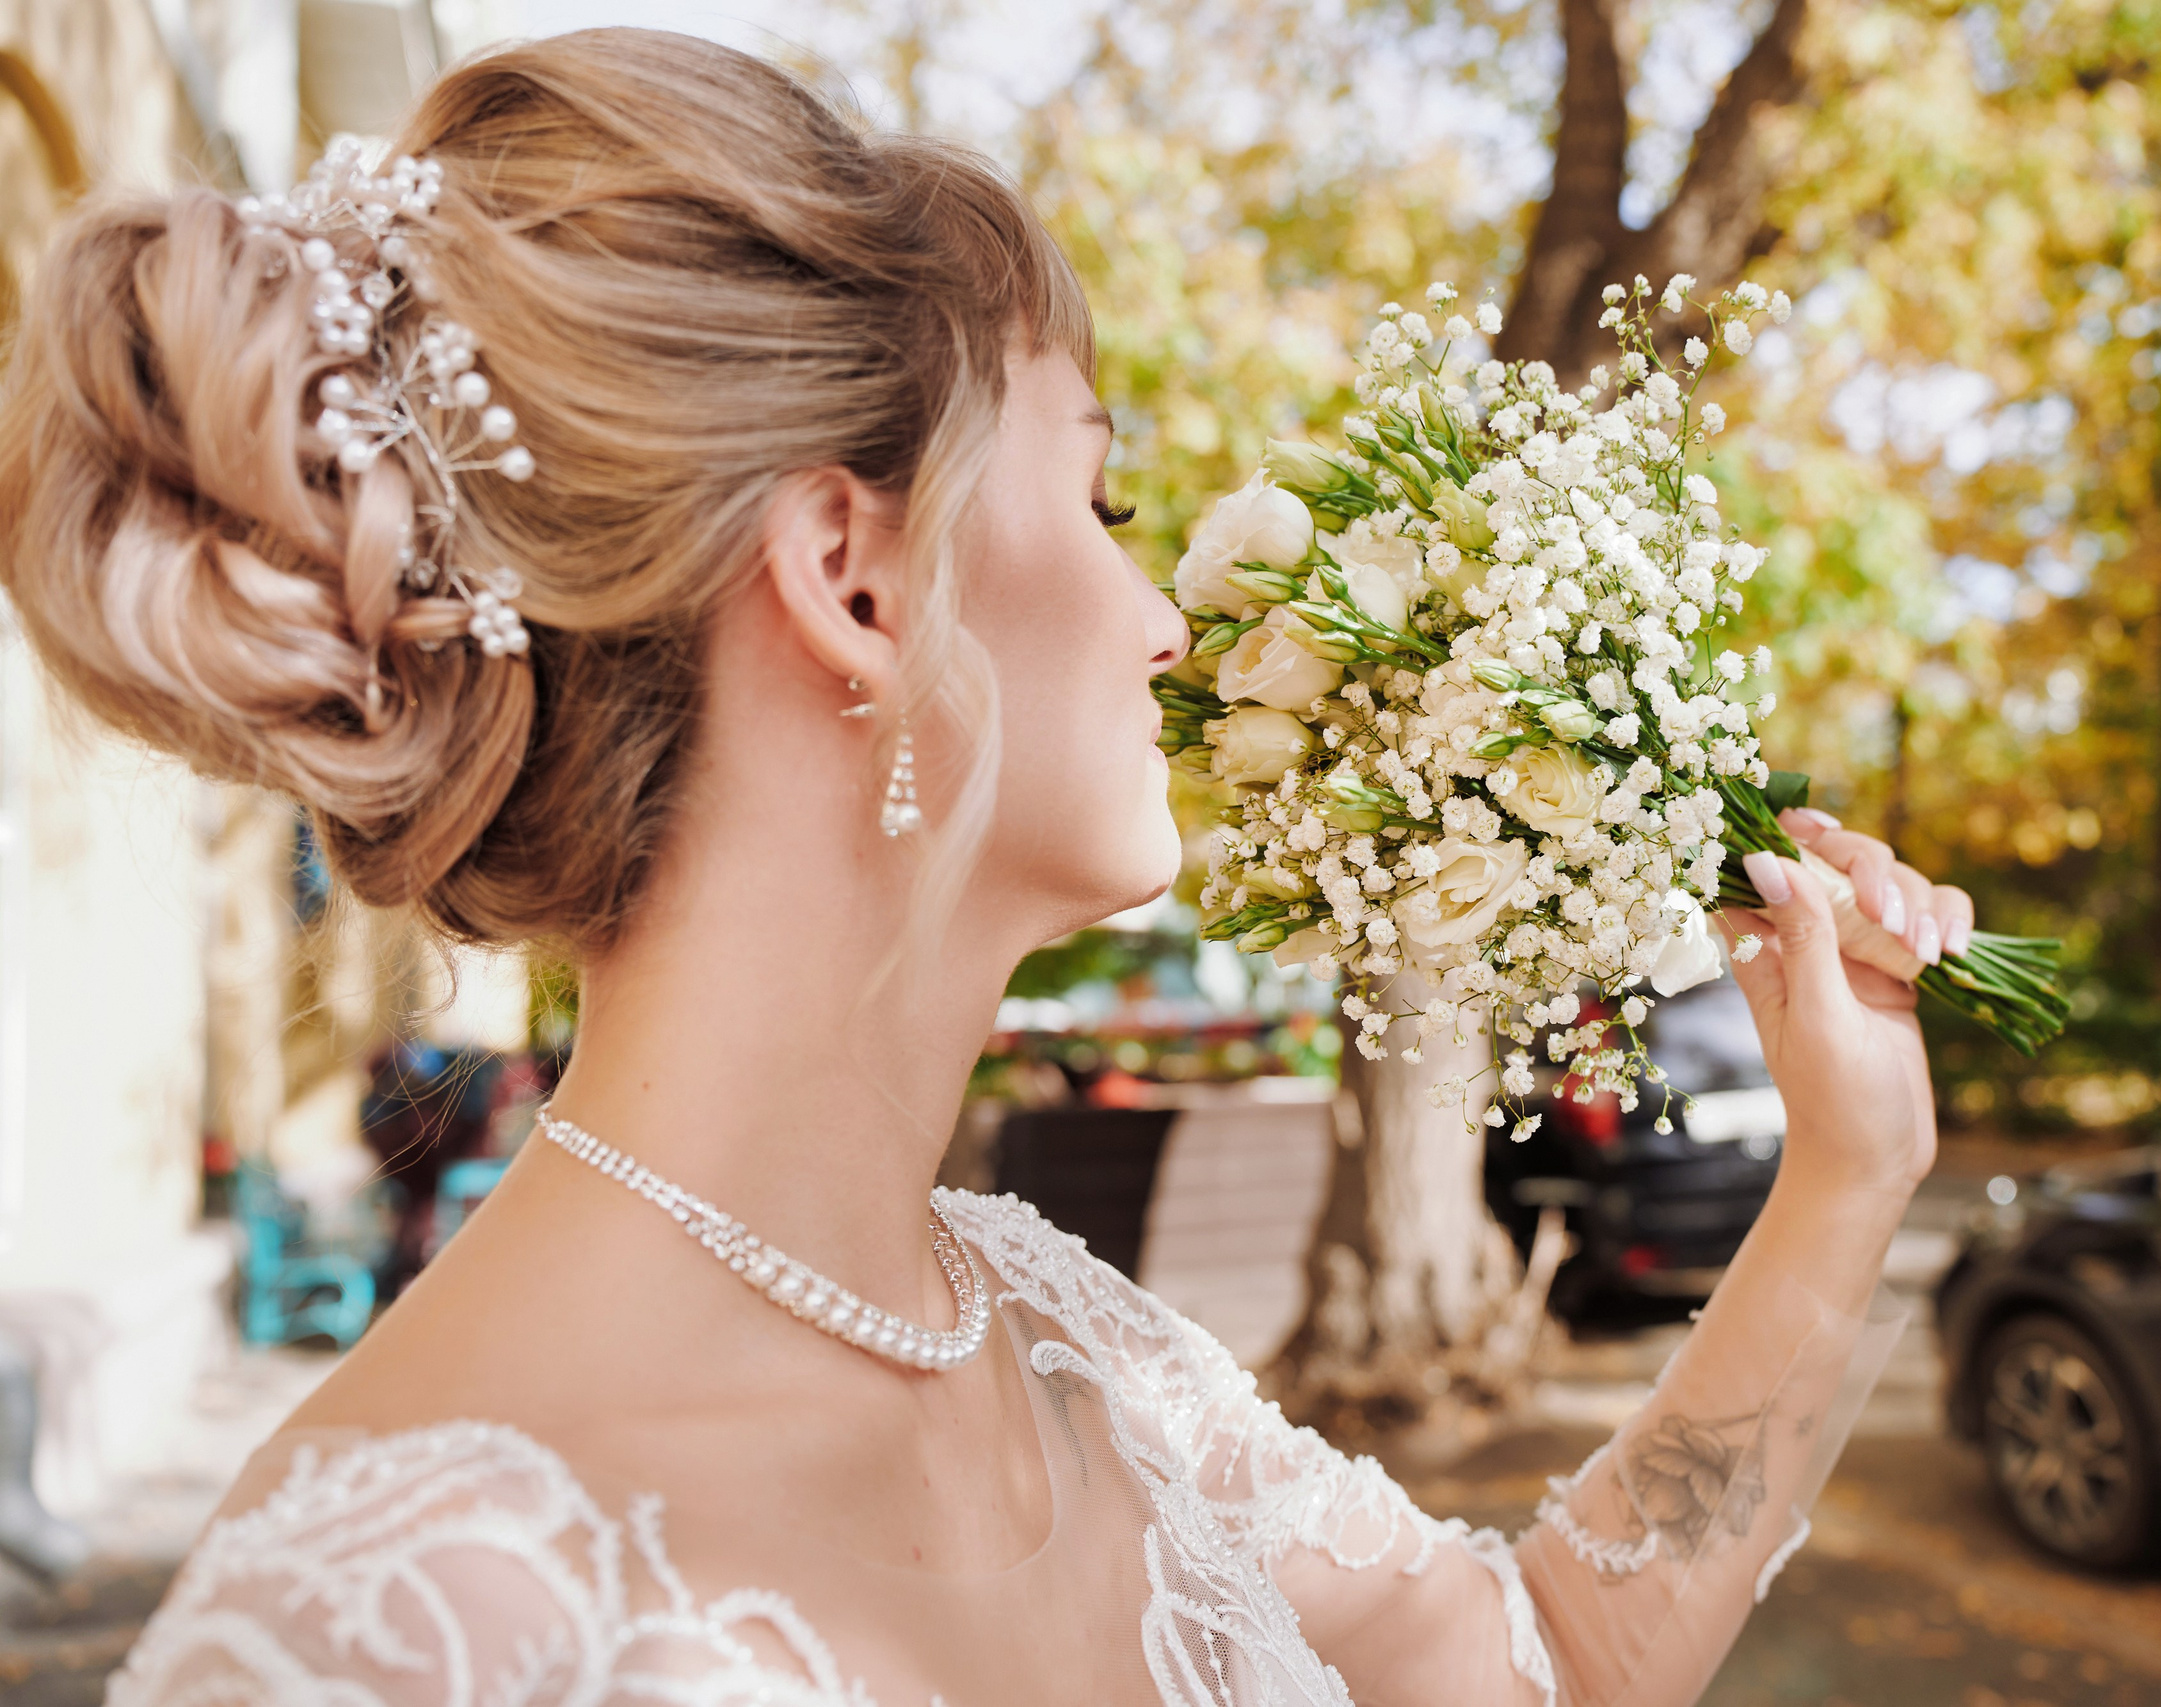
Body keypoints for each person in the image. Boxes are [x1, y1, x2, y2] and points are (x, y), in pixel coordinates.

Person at [0, 29, 1975, 1706]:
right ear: (851, 577)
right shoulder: (391, 1624)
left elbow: (1532, 1653)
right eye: (1101, 491)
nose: (1168, 621)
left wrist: (1849, 1164)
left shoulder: (1064, 1335)